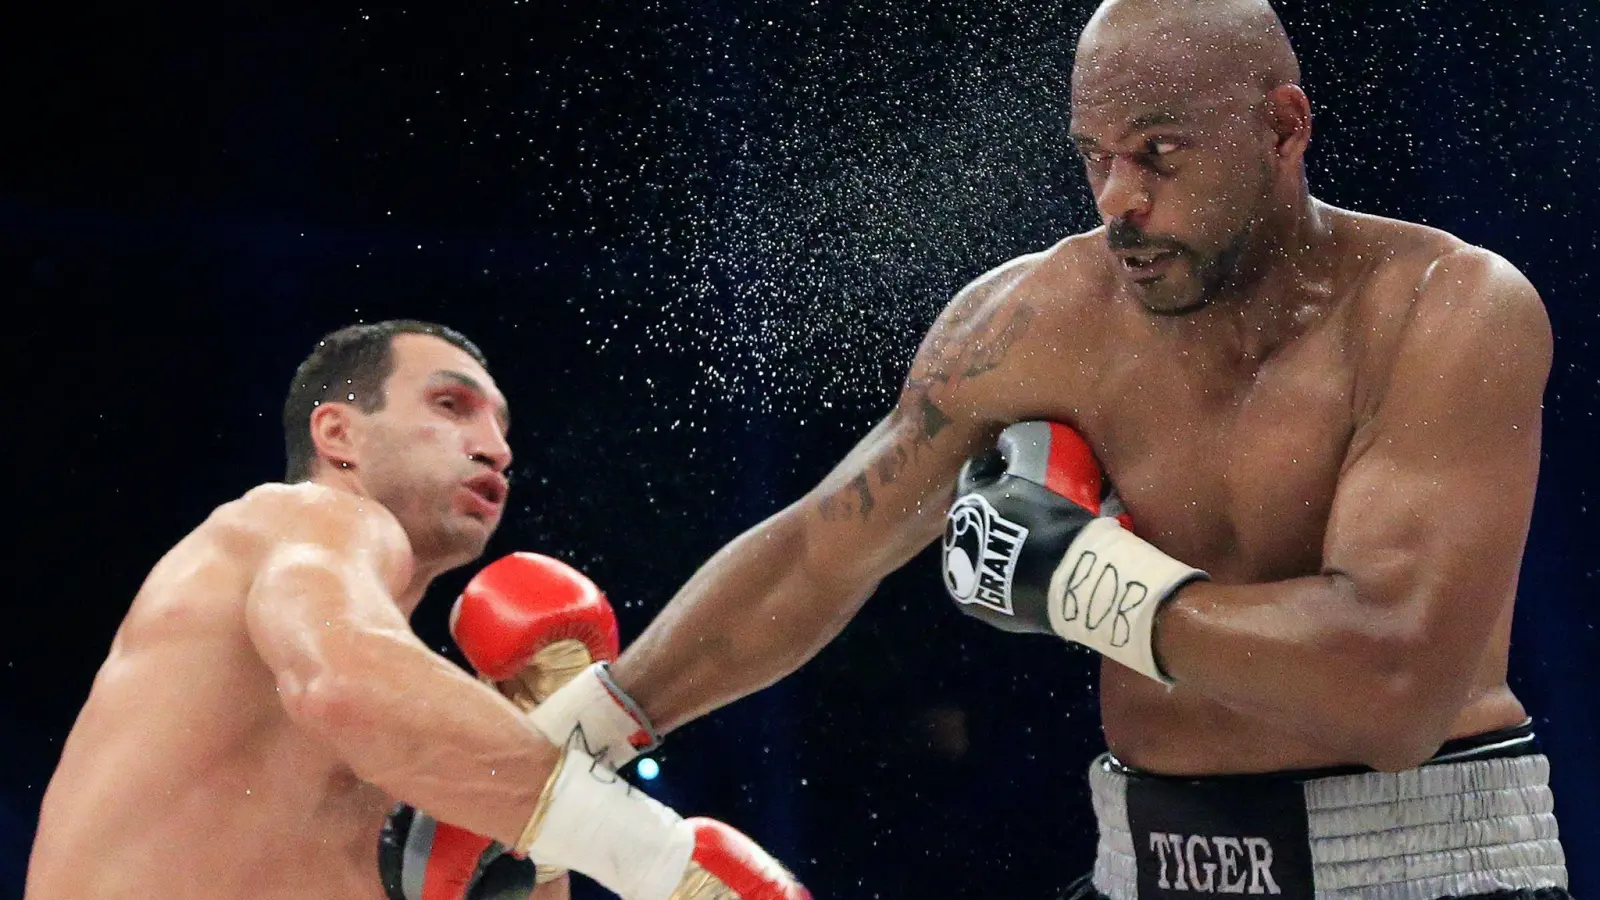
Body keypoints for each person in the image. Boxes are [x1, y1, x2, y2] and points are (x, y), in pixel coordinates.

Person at [525, 0, 1570, 896]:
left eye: (1159, 152)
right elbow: (819, 551)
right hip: (1146, 861)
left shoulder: (1443, 309)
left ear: (1282, 126)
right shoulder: (1040, 318)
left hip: (1425, 863)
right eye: (1093, 157)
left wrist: (1079, 580)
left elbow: (1392, 689)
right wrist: (557, 749)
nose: (1119, 196)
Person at [25, 320, 808, 900]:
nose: (494, 445)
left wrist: (548, 821)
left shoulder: (413, 737)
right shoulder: (300, 519)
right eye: (451, 406)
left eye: (502, 427)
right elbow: (341, 682)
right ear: (338, 436)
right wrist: (649, 850)